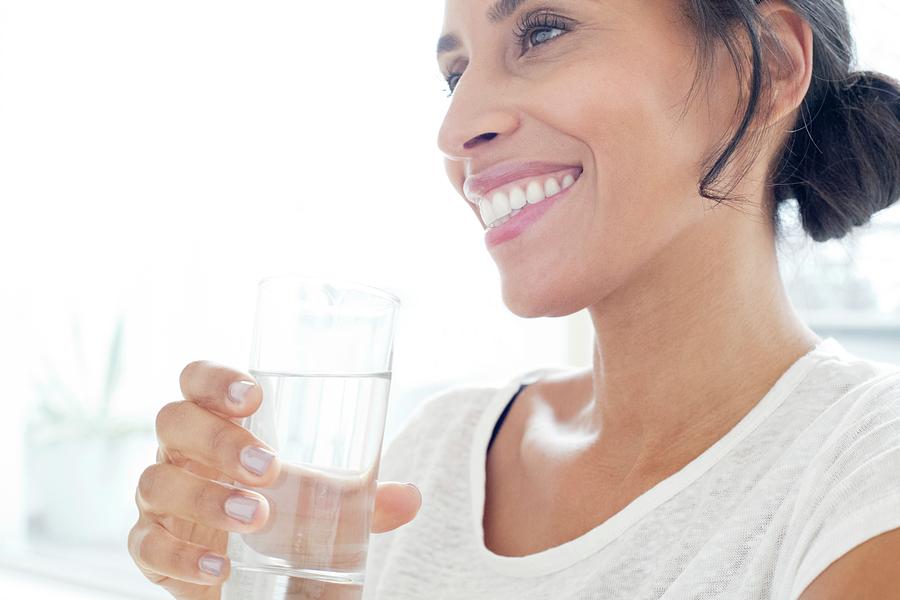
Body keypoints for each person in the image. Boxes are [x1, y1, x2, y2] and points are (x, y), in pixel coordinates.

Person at [129, 0, 900, 598]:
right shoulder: (434, 458)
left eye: (542, 31)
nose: (456, 127)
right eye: (456, 73)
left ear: (760, 64)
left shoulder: (867, 469)